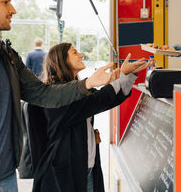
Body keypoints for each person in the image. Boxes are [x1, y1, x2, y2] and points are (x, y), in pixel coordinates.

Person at [0, 0, 144, 192]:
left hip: (7, 179)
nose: (13, 10)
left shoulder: (8, 56)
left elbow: (43, 93)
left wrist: (88, 83)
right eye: (5, 1)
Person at [32, 44, 148, 192]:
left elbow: (107, 99)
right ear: (62, 60)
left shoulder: (76, 88)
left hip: (86, 165)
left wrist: (129, 74)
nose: (81, 55)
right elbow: (97, 101)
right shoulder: (55, 93)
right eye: (75, 52)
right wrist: (122, 74)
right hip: (65, 172)